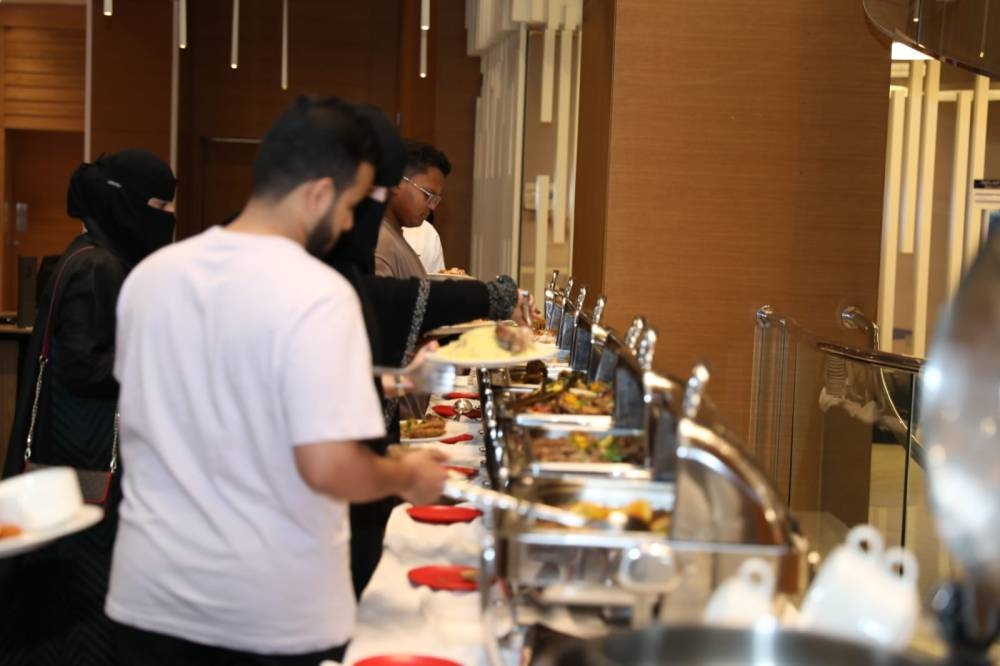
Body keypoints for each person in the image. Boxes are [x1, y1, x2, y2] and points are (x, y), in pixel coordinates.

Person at [105, 96, 447, 664]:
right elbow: (329, 465)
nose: (349, 224)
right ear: (318, 193)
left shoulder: (152, 277)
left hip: (148, 597)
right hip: (266, 610)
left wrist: (388, 384)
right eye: (351, 205)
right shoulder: (318, 292)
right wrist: (407, 475)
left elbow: (224, 394)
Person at [0, 150, 177, 665]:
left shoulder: (86, 254)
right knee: (83, 600)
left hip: (70, 456)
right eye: (160, 205)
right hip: (86, 461)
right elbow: (85, 367)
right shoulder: (99, 266)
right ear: (124, 205)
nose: (168, 218)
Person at [374, 139, 450, 279]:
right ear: (396, 182)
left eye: (436, 199)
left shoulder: (393, 236)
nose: (432, 206)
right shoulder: (380, 242)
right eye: (427, 194)